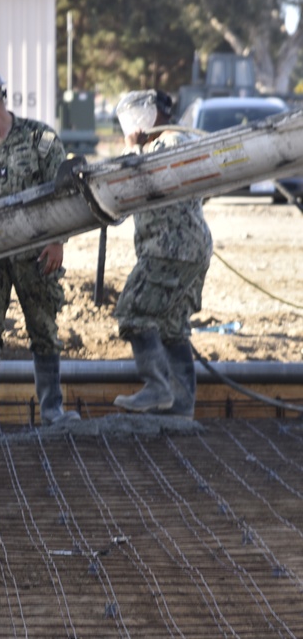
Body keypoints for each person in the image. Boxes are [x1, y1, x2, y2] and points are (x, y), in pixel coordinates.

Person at [0, 64, 79, 439]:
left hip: (36, 254)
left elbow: (66, 194)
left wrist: (58, 241)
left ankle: (52, 411)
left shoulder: (41, 139)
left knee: (43, 329)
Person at [112, 90, 210, 418]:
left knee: (132, 311)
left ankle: (157, 387)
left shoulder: (167, 145)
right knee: (171, 325)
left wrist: (133, 150)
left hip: (169, 249)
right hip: (190, 247)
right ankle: (181, 406)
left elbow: (139, 183)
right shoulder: (180, 142)